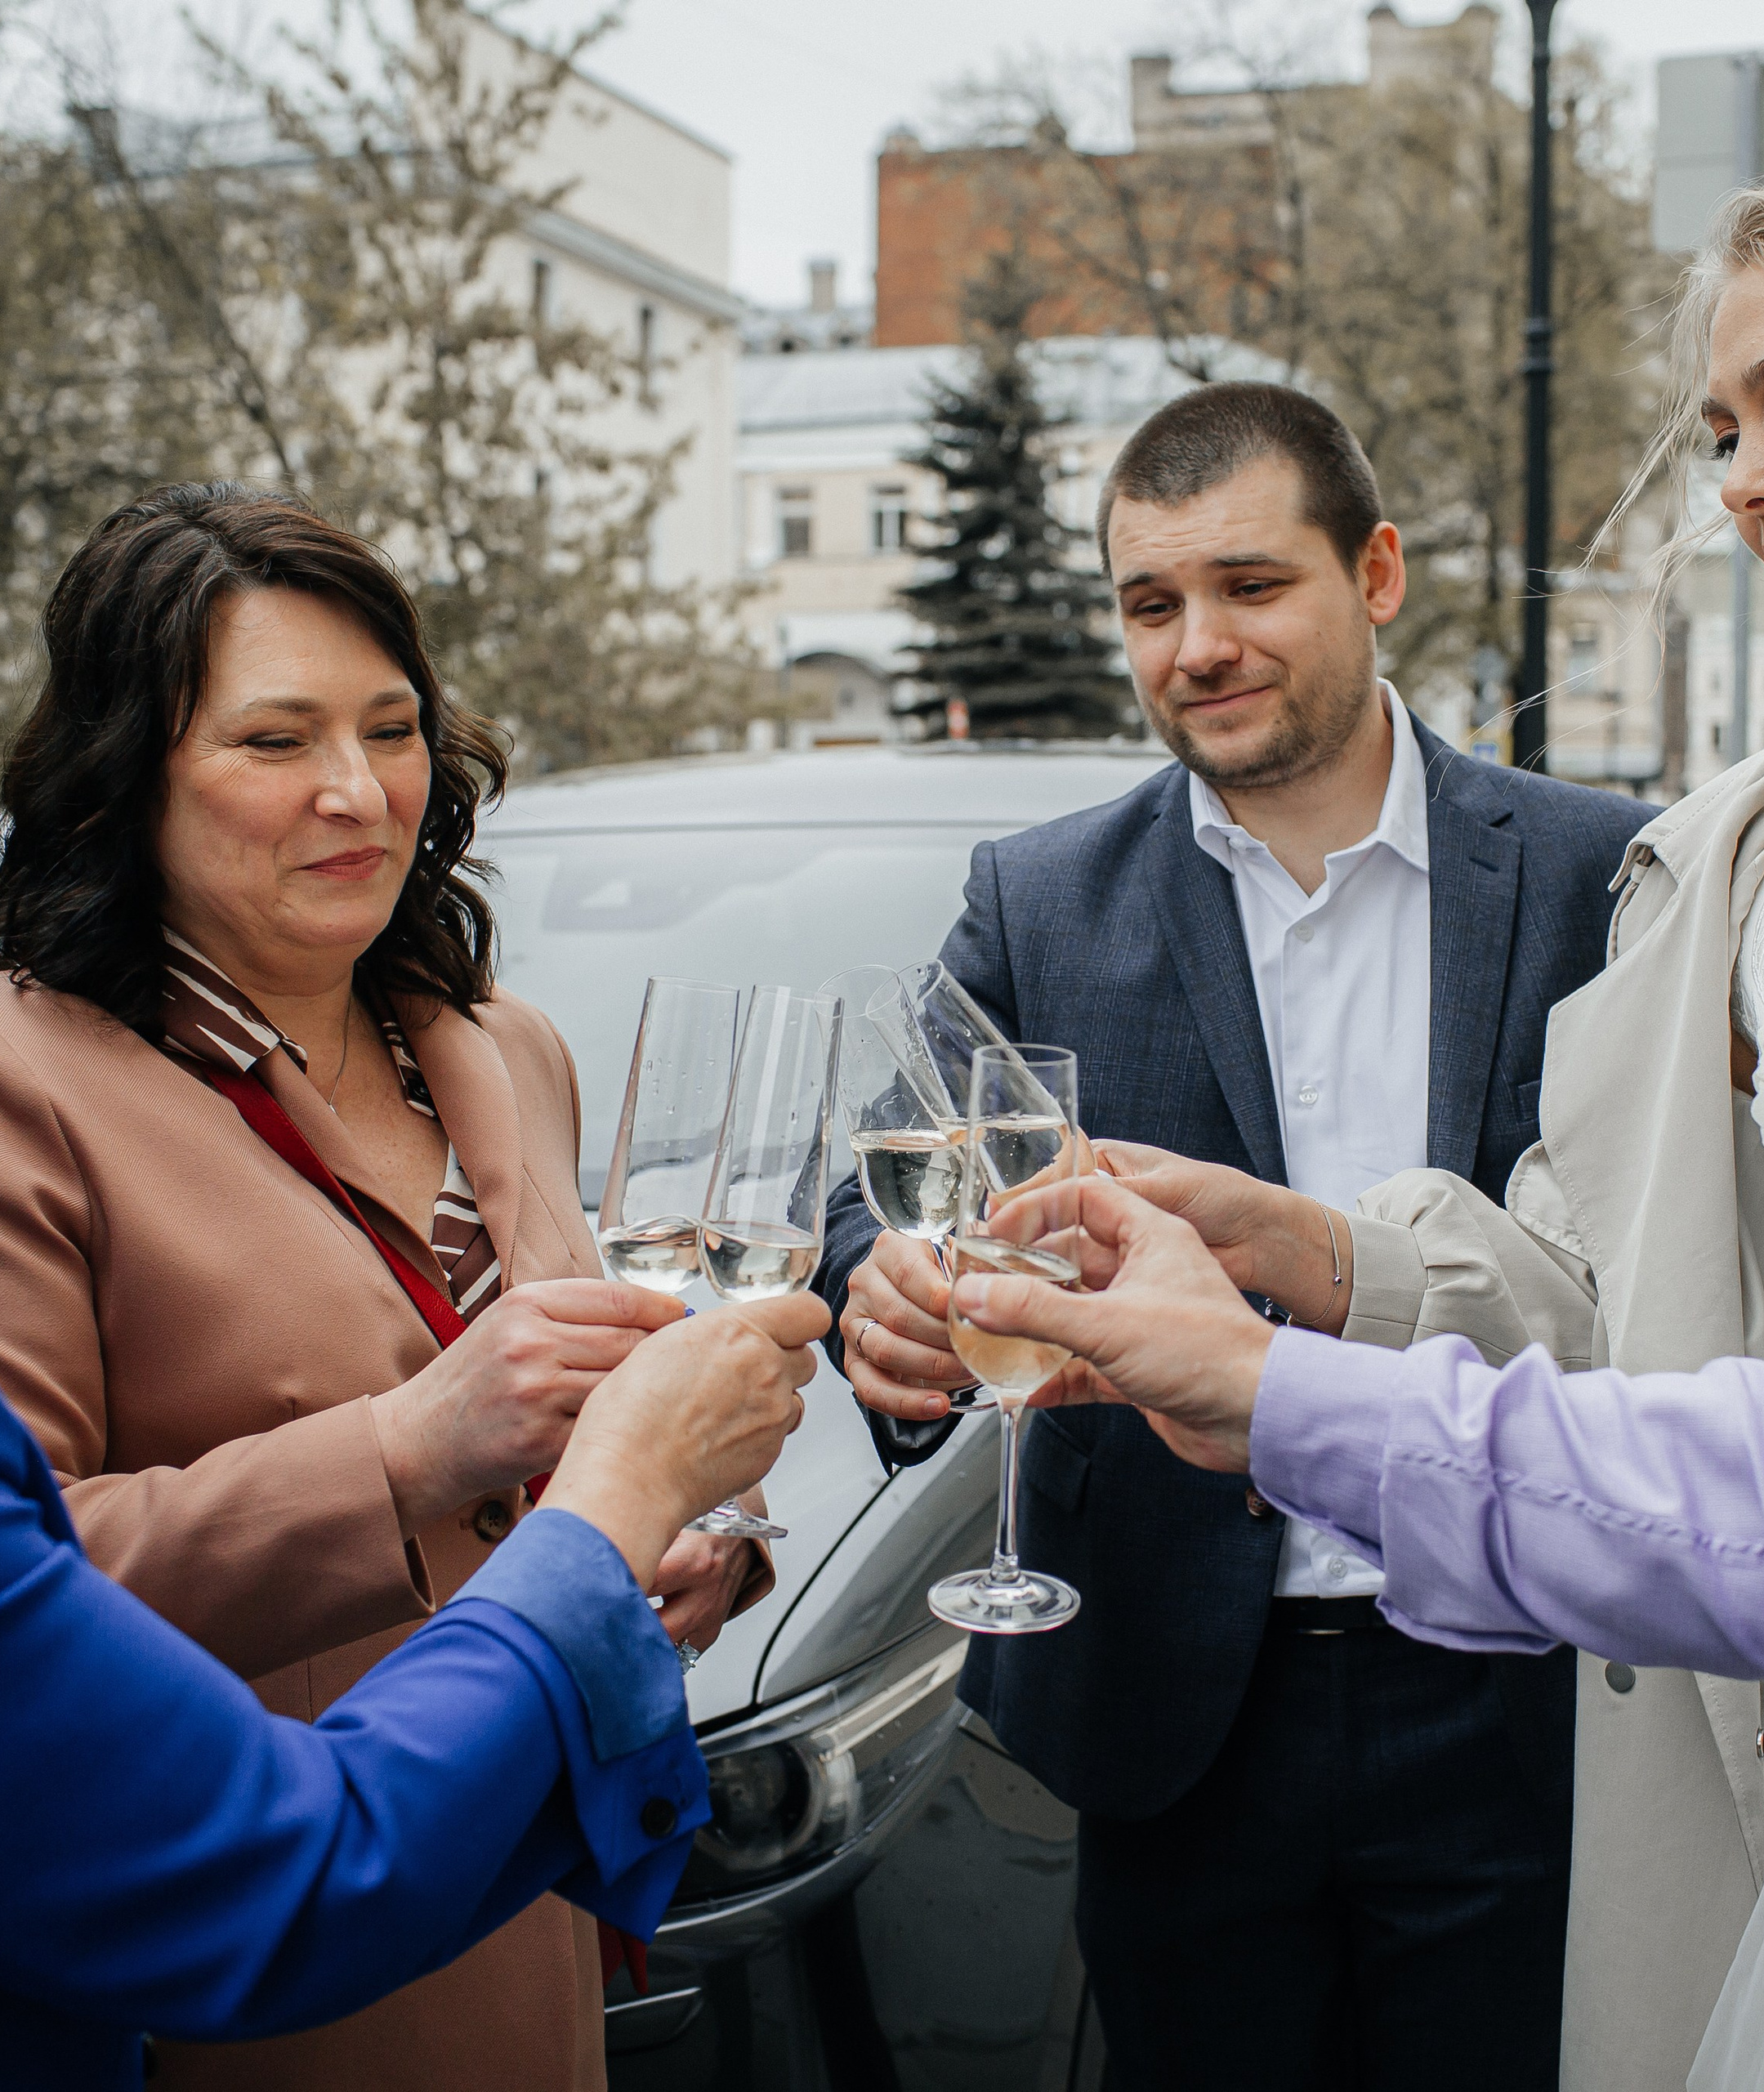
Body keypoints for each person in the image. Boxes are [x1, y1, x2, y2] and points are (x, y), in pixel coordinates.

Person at [945, 14, 1764, 2088]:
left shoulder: (1577, 857)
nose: (1739, 478)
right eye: (1719, 423)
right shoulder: (1714, 867)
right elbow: (1624, 1305)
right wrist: (1287, 1263)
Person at [819, 382, 1646, 2089]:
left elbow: (1648, 1267)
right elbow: (883, 1184)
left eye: (1250, 585)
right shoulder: (1036, 894)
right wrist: (881, 1297)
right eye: (1147, 602)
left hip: (1511, 1676)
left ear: (1379, 572)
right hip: (1175, 1702)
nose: (1194, 642)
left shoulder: (1595, 872)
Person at [0, 482, 766, 2090]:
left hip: (520, 1897)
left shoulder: (504, 1044)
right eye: (276, 740)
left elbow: (568, 1436)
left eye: (391, 725)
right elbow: (38, 1582)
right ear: (125, 774)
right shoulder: (31, 1082)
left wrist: (655, 1542)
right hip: (254, 1953)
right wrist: (409, 1446)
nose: (356, 791)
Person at [2, 1294, 823, 2091]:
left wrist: (696, 1479)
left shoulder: (529, 1145)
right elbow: (291, 1876)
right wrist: (623, 1497)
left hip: (530, 1951)